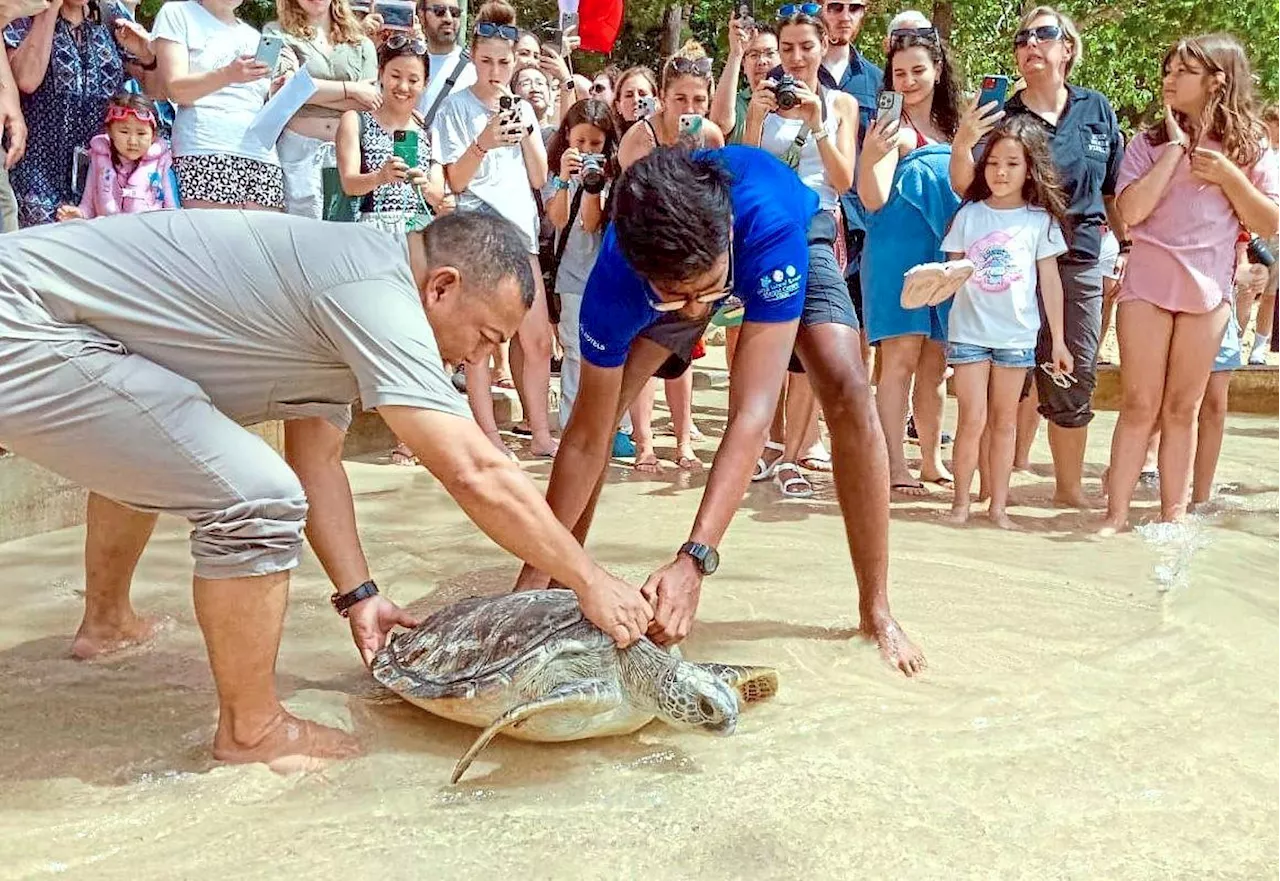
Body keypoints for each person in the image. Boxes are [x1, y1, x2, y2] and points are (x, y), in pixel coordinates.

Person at [0, 209, 653, 770]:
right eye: (485, 338)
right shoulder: (378, 294)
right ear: (443, 288)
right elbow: (474, 470)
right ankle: (251, 732)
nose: (480, 360)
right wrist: (590, 579)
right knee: (256, 497)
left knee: (168, 435)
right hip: (25, 322)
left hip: (48, 314)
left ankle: (106, 624)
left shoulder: (359, 281)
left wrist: (360, 595)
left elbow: (319, 458)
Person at [517, 146, 925, 676]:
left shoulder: (768, 225)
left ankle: (877, 612)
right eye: (675, 298)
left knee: (847, 387)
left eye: (702, 293)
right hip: (682, 265)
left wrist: (695, 558)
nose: (694, 313)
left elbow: (752, 414)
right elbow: (586, 438)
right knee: (606, 408)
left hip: (786, 242)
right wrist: (530, 577)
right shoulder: (617, 277)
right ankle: (549, 583)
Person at [1101, 33, 1280, 533]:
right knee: (1139, 404)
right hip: (1148, 284)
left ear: (1217, 81)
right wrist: (1173, 154)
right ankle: (1114, 518)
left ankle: (1172, 520)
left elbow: (1268, 223)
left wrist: (1229, 176)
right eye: (1168, 70)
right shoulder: (1148, 141)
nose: (1169, 79)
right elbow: (1130, 213)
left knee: (1184, 407)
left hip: (1208, 292)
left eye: (1183, 71)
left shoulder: (1248, 148)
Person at [951, 6, 1127, 509]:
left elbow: (1112, 191)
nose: (1030, 45)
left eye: (1043, 35)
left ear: (1067, 48)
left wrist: (1127, 247)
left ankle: (1068, 496)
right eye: (1022, 38)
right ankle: (990, 495)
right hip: (1010, 260)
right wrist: (965, 140)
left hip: (1079, 259)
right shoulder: (1002, 116)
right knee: (1004, 380)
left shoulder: (1097, 109)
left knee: (1073, 372)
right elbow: (969, 189)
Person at [432, 1, 555, 460]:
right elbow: (455, 181)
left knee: (537, 339)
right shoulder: (455, 109)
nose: (495, 70)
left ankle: (540, 431)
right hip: (479, 232)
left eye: (504, 62)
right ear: (473, 58)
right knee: (480, 343)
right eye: (486, 61)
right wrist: (484, 140)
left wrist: (523, 130)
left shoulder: (522, 106)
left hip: (521, 232)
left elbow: (540, 177)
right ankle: (488, 435)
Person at [743, 9, 857, 498]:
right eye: (786, 48)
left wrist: (818, 122)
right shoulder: (763, 102)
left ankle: (794, 453)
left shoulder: (842, 103)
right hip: (766, 226)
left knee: (813, 336)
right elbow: (743, 169)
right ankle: (755, 444)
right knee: (765, 338)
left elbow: (844, 178)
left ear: (823, 45)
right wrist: (754, 117)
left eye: (805, 47)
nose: (795, 58)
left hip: (815, 224)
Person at [940, 116, 1071, 528]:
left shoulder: (1039, 220)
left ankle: (998, 507)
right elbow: (949, 274)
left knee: (1005, 422)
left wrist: (1060, 342)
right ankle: (960, 504)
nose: (1000, 172)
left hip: (1017, 335)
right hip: (968, 333)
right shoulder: (969, 215)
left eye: (1012, 164)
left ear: (1030, 168)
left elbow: (1050, 283)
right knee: (971, 420)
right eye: (993, 162)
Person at [858, 28, 963, 497]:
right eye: (899, 73)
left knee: (937, 362)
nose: (909, 80)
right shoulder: (888, 129)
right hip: (896, 250)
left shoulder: (958, 128)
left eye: (918, 70)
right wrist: (873, 153)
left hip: (945, 251)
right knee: (898, 359)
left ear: (938, 71)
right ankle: (892, 461)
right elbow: (873, 198)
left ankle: (931, 460)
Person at [616, 42, 726, 473]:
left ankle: (684, 442)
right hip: (646, 254)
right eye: (680, 98)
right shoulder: (639, 137)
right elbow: (629, 204)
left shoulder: (712, 135)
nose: (689, 106)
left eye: (698, 99)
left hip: (693, 261)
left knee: (685, 350)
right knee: (643, 348)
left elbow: (720, 201)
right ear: (663, 96)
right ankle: (644, 442)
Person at [4, 0, 158, 226]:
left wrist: (147, 57)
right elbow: (26, 80)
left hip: (103, 183)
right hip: (37, 182)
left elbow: (156, 91)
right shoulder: (25, 11)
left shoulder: (110, 13)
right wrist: (49, 11)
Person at [153, 0, 284, 211]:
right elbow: (175, 90)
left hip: (262, 156)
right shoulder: (178, 13)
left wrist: (278, 92)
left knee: (260, 242)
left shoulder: (254, 36)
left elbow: (258, 101)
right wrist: (227, 74)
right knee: (212, 240)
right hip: (205, 148)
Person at [543, 98, 618, 430]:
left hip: (606, 275)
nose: (587, 149)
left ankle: (613, 424)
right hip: (571, 274)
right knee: (574, 350)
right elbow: (558, 219)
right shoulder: (556, 173)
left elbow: (592, 223)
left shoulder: (614, 173)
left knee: (609, 350)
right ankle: (572, 423)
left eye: (595, 143)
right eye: (580, 142)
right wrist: (563, 178)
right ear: (568, 137)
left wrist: (593, 186)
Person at [265, 0, 378, 219]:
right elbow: (282, 92)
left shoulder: (362, 43)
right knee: (297, 237)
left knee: (342, 239)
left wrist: (304, 93)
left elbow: (369, 102)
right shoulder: (275, 33)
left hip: (347, 155)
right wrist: (351, 89)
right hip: (297, 153)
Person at [55, 92, 178, 220]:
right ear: (109, 131)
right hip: (108, 233)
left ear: (153, 135)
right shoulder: (99, 159)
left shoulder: (161, 163)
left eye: (141, 133)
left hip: (147, 233)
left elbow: (172, 209)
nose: (133, 141)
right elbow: (87, 205)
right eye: (124, 132)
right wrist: (78, 214)